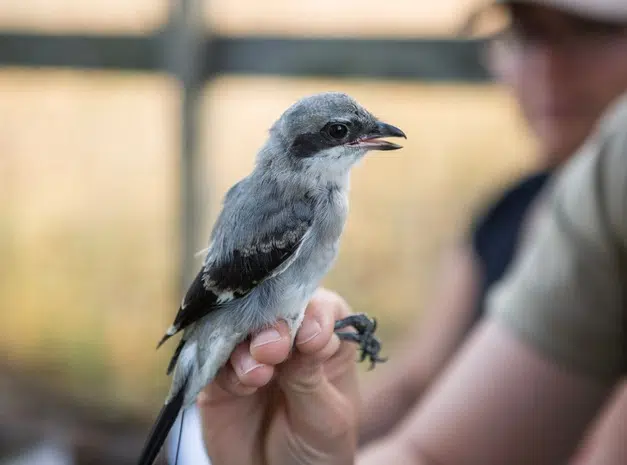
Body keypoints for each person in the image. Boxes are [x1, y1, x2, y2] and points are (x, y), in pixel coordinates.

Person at [196, 1, 627, 464]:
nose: (549, 67)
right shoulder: (500, 216)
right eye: (524, 34)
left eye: (589, 34)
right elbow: (417, 390)